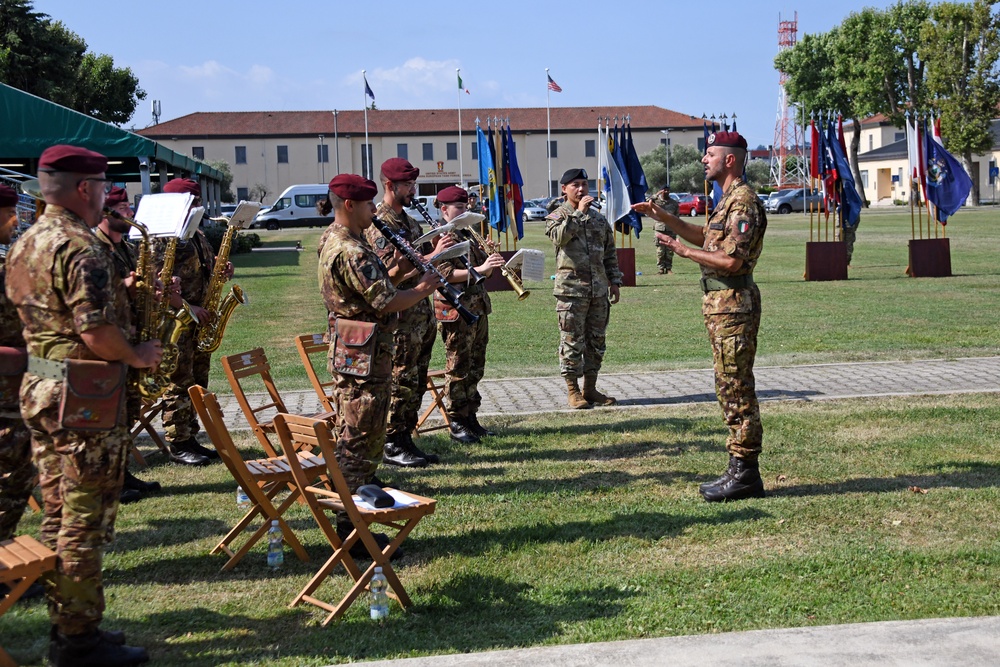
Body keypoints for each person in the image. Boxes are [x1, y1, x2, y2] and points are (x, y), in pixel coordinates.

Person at [6, 145, 161, 666]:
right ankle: (78, 642)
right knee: (82, 521)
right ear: (83, 189)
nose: (103, 199)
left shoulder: (25, 241)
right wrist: (137, 354)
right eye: (99, 188)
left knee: (57, 514)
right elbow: (94, 330)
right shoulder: (80, 247)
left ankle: (70, 624)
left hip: (42, 389)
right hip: (83, 400)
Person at [633, 130, 767, 503]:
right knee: (728, 386)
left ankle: (745, 472)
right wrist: (664, 218)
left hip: (734, 306)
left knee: (736, 387)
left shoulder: (743, 204)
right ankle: (738, 468)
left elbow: (731, 260)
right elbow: (708, 237)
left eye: (710, 154)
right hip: (722, 307)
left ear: (730, 160)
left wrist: (681, 251)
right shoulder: (726, 202)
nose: (703, 160)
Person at [318, 173, 437, 548]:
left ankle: (355, 525)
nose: (374, 210)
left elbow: (373, 288)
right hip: (364, 361)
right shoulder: (350, 250)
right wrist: (423, 288)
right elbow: (386, 301)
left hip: (358, 353)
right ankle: (352, 533)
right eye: (369, 205)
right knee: (359, 443)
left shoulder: (334, 239)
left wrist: (400, 270)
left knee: (361, 438)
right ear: (350, 206)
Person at [364, 158, 439, 467]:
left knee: (416, 380)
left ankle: (406, 436)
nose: (413, 191)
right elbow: (387, 276)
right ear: (389, 186)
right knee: (401, 380)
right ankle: (393, 442)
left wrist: (436, 254)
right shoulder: (378, 223)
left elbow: (419, 262)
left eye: (413, 185)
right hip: (401, 318)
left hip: (420, 314)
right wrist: (431, 257)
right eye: (408, 186)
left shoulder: (408, 221)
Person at [93, 187, 163, 502]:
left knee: (129, 410)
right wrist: (125, 286)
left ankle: (122, 472)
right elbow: (96, 299)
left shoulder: (128, 248)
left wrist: (156, 287)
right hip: (114, 343)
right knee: (112, 415)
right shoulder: (95, 248)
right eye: (122, 208)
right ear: (106, 213)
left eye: (128, 207)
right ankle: (110, 480)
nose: (130, 214)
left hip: (135, 336)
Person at [151, 178, 224, 466]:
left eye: (197, 201)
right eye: (191, 201)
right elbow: (158, 281)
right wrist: (187, 307)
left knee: (196, 381)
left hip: (198, 319)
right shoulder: (163, 235)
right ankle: (177, 442)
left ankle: (191, 436)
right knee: (178, 382)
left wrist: (219, 267)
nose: (197, 206)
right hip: (176, 320)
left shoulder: (195, 232)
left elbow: (200, 267)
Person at [433, 186, 505, 444]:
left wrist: (489, 262)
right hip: (456, 310)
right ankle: (455, 420)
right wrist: (480, 268)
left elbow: (483, 274)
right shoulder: (441, 236)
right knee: (458, 366)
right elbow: (444, 275)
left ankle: (470, 415)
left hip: (478, 306)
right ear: (444, 210)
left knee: (476, 364)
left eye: (467, 207)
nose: (465, 211)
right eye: (459, 208)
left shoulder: (468, 234)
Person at [545, 168, 622, 409]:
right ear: (564, 189)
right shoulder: (556, 216)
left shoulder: (599, 219)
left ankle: (590, 389)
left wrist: (615, 281)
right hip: (571, 292)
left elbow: (609, 253)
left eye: (584, 184)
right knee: (571, 342)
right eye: (575, 185)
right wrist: (578, 214)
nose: (581, 189)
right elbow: (559, 238)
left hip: (598, 291)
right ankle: (572, 391)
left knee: (596, 342)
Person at [0, 183, 33, 542]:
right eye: (8, 213)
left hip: (16, 390)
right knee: (8, 478)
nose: (14, 220)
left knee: (18, 477)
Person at [649, 184, 680, 274]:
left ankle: (669, 268)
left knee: (670, 250)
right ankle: (661, 268)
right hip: (660, 229)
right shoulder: (656, 202)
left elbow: (677, 216)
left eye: (668, 190)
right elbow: (647, 201)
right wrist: (656, 195)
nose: (666, 192)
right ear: (661, 191)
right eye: (664, 190)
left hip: (671, 229)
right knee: (660, 250)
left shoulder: (674, 203)